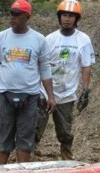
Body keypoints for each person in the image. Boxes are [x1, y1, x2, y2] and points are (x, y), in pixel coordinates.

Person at [0, 0, 55, 165]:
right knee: (4, 138)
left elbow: (45, 69)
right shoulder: (0, 38)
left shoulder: (39, 40)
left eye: (17, 14)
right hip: (6, 95)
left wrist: (51, 96)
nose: (12, 17)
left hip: (30, 96)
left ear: (27, 17)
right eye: (11, 13)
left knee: (25, 140)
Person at [34, 0, 94, 160]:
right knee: (36, 125)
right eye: (64, 15)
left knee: (65, 131)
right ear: (59, 17)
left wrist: (85, 90)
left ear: (76, 19)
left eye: (71, 16)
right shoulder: (49, 39)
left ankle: (66, 157)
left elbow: (86, 66)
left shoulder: (83, 40)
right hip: (44, 91)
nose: (67, 19)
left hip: (67, 93)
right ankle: (30, 154)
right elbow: (40, 65)